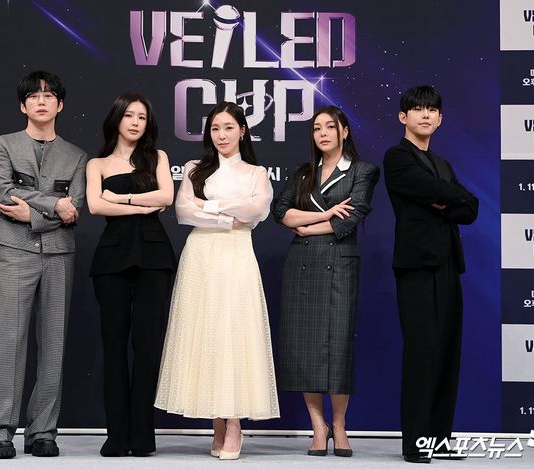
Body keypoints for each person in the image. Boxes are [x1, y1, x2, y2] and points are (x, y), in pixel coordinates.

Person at [154, 102, 280, 460]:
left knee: (235, 333)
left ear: (242, 130)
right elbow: (184, 211)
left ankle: (234, 421)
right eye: (215, 128)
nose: (221, 135)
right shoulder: (195, 169)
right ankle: (216, 420)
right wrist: (226, 213)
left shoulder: (256, 173)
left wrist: (208, 206)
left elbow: (256, 211)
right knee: (206, 333)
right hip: (201, 255)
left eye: (228, 127)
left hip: (237, 255)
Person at [0, 70, 87, 459]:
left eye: (49, 95)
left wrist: (35, 213)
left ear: (60, 105)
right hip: (15, 249)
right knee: (9, 337)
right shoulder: (2, 145)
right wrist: (53, 205)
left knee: (53, 340)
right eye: (34, 96)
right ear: (23, 106)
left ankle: (43, 431)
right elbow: (4, 192)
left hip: (59, 253)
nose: (41, 101)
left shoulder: (77, 156)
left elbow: (75, 208)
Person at [273, 105, 379, 457]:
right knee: (305, 348)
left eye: (330, 127)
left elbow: (351, 217)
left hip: (339, 264)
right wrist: (327, 213)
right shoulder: (302, 173)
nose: (323, 133)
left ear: (344, 131)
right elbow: (281, 212)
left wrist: (307, 226)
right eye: (317, 128)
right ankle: (318, 426)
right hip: (302, 265)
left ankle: (340, 424)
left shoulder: (362, 171)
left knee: (338, 347)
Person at [383, 85, 478, 463]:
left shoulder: (443, 163)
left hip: (449, 266)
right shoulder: (397, 157)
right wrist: (446, 197)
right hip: (417, 267)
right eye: (418, 109)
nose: (425, 115)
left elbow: (470, 207)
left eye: (432, 110)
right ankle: (416, 443)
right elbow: (432, 190)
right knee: (422, 353)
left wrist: (442, 201)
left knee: (447, 355)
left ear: (440, 119)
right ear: (403, 117)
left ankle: (440, 440)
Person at [86, 92, 176, 457]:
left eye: (142, 117)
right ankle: (116, 436)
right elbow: (95, 205)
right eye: (129, 116)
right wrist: (142, 204)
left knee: (147, 347)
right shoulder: (97, 164)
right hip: (112, 259)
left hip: (154, 256)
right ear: (117, 119)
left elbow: (166, 198)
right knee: (114, 347)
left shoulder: (158, 157)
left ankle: (142, 437)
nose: (136, 122)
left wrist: (121, 199)